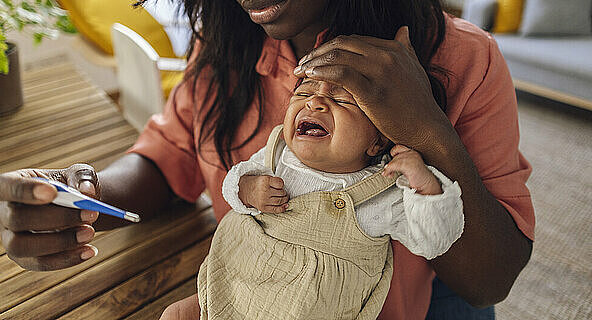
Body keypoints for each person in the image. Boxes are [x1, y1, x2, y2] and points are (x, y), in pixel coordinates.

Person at [0, 0, 534, 319]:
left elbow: (492, 278)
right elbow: (171, 155)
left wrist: (423, 128)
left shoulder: (463, 59)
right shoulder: (224, 43)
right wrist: (83, 195)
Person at [196, 78, 464, 319]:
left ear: (377, 141)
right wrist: (247, 188)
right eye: (303, 92)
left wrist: (424, 183)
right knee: (178, 313)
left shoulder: (383, 189)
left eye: (340, 100)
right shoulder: (277, 153)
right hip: (239, 282)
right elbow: (233, 182)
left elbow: (434, 240)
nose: (314, 102)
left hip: (311, 307)